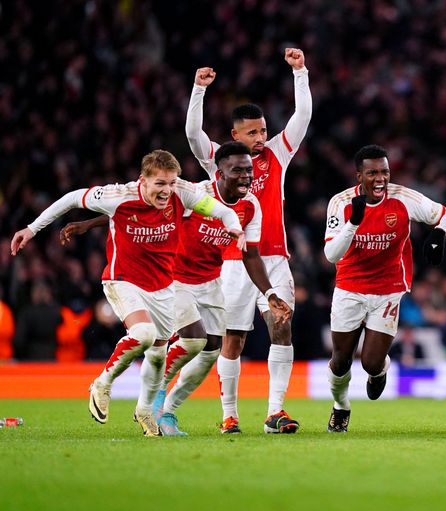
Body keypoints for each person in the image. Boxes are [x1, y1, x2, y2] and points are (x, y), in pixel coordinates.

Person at [62, 142, 291, 436]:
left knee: (211, 350)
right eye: (239, 170)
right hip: (175, 277)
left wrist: (270, 294)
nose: (247, 176)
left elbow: (250, 255)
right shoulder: (194, 194)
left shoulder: (250, 207)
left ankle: (168, 409)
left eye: (249, 170)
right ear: (219, 173)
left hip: (210, 281)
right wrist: (91, 223)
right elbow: (140, 209)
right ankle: (154, 396)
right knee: (194, 338)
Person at [11, 150, 244, 436]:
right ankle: (103, 382)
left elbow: (222, 210)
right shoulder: (117, 196)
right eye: (160, 183)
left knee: (158, 354)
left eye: (171, 182)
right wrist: (32, 229)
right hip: (123, 280)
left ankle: (146, 411)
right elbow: (71, 198)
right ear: (143, 180)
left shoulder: (181, 193)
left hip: (163, 285)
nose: (166, 191)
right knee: (144, 335)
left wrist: (233, 228)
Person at [185, 48, 312, 434]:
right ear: (235, 135)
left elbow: (302, 116)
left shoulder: (277, 155)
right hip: (234, 263)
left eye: (263, 130)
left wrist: (300, 72)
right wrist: (198, 91)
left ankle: (275, 412)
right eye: (253, 132)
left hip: (273, 257)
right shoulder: (221, 161)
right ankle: (229, 415)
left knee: (282, 326)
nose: (262, 137)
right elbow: (193, 134)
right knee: (233, 339)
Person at [323, 145, 446, 432]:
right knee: (341, 361)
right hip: (349, 287)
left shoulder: (403, 198)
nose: (380, 178)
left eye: (384, 171)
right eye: (372, 173)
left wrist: (438, 233)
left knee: (372, 363)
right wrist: (353, 223)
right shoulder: (340, 203)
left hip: (388, 288)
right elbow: (331, 255)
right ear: (359, 175)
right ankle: (341, 406)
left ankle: (379, 372)